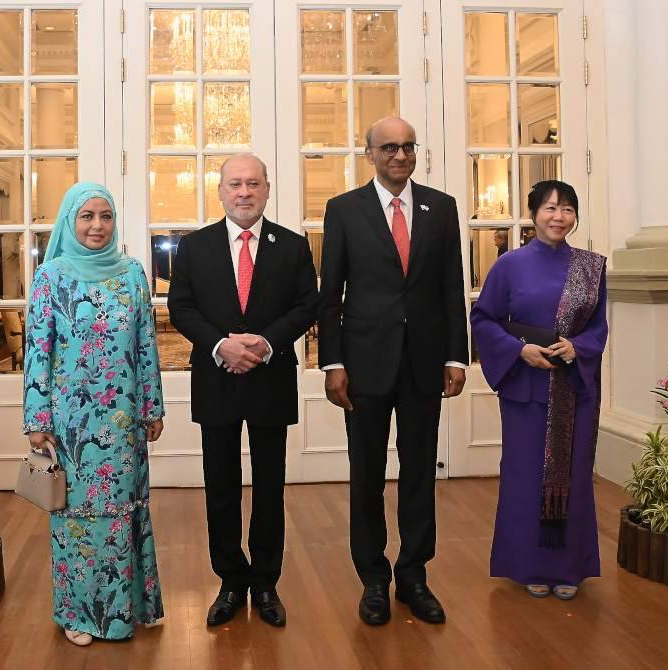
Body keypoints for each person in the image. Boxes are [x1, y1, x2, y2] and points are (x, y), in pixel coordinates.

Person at [317, 117, 468, 626]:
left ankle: (414, 575)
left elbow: (451, 287)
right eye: (388, 148)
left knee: (420, 472)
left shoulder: (441, 208)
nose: (400, 156)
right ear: (370, 154)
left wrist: (456, 356)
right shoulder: (344, 210)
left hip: (424, 363)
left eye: (407, 147)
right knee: (366, 475)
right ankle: (373, 579)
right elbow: (330, 295)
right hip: (364, 366)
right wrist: (333, 362)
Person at [167, 154, 318, 628]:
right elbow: (181, 307)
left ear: (267, 189)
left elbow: (307, 305)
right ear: (220, 192)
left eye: (253, 183)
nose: (244, 192)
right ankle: (230, 581)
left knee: (270, 487)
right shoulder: (195, 247)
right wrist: (221, 346)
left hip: (271, 379)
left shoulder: (292, 246)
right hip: (217, 379)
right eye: (235, 184)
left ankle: (266, 583)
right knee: (221, 487)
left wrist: (266, 343)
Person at [23, 182, 165, 646]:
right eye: (86, 216)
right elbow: (37, 350)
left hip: (124, 419)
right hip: (71, 423)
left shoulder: (132, 273)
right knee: (77, 516)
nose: (97, 226)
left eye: (105, 216)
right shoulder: (51, 277)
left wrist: (152, 406)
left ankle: (126, 610)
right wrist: (37, 419)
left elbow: (145, 344)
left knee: (122, 511)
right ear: (70, 221)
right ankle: (80, 615)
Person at [469, 179, 608, 601]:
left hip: (574, 389)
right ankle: (528, 564)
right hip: (526, 390)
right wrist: (519, 350)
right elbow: (483, 320)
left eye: (567, 209)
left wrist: (578, 347)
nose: (558, 217)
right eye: (550, 208)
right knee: (526, 476)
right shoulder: (509, 266)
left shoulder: (591, 267)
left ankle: (568, 568)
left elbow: (598, 327)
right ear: (533, 214)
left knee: (574, 478)